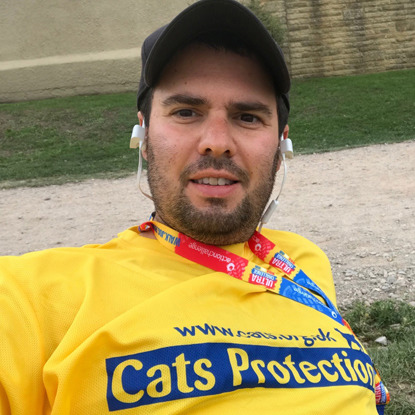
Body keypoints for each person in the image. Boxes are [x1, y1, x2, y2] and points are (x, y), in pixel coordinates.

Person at [0, 1, 389, 414]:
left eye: (248, 116)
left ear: (282, 146)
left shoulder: (304, 263)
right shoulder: (34, 296)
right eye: (186, 112)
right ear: (144, 137)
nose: (216, 140)